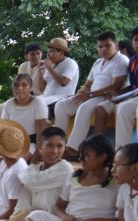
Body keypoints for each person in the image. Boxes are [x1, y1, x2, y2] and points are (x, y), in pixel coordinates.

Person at [55, 32, 129, 161]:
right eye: (100, 47)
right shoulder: (98, 62)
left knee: (84, 108)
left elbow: (116, 86)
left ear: (116, 45)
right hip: (92, 95)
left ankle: (73, 150)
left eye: (107, 46)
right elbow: (88, 83)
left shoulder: (121, 60)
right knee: (61, 105)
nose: (103, 49)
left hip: (107, 97)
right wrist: (81, 92)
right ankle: (58, 144)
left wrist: (89, 94)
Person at [0, 73, 47, 163]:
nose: (19, 88)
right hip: (11, 143)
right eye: (16, 85)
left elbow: (41, 132)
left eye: (24, 85)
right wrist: (0, 147)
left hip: (30, 144)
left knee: (16, 164)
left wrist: (38, 152)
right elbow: (3, 130)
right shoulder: (8, 104)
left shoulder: (38, 103)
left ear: (30, 88)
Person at [38, 38, 80, 117]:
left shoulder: (70, 63)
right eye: (49, 52)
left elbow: (64, 82)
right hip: (46, 97)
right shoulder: (52, 64)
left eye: (52, 52)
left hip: (61, 99)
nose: (49, 55)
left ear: (61, 52)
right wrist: (41, 72)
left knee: (38, 107)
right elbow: (41, 88)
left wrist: (50, 68)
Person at [113, 27, 138, 149]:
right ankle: (122, 152)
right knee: (122, 108)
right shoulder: (133, 61)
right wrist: (117, 94)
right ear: (132, 42)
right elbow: (133, 86)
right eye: (136, 40)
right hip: (136, 96)